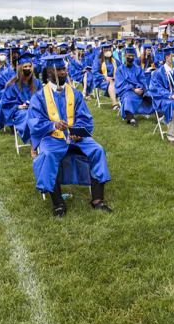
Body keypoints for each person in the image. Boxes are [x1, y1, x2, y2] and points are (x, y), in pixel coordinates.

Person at [29, 56, 112, 217]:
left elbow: (85, 117)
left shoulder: (75, 94)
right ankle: (58, 203)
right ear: (50, 72)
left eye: (64, 69)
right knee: (47, 154)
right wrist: (53, 125)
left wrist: (78, 132)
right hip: (52, 138)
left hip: (76, 138)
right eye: (59, 70)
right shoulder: (39, 97)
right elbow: (34, 122)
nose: (63, 72)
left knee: (97, 150)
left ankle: (97, 200)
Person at [0, 52, 42, 149]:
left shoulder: (36, 83)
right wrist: (17, 106)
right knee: (27, 117)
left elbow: (42, 98)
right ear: (20, 68)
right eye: (25, 67)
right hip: (21, 111)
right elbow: (5, 103)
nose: (28, 69)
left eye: (30, 66)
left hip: (36, 109)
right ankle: (33, 145)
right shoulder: (12, 85)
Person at [114, 46, 154, 126]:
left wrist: (142, 88)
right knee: (128, 98)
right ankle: (130, 118)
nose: (131, 57)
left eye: (132, 56)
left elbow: (142, 80)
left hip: (139, 90)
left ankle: (160, 114)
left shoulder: (137, 68)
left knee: (151, 96)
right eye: (129, 56)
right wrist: (133, 89)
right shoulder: (120, 69)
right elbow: (120, 83)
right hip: (127, 91)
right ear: (125, 56)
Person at [92, 43, 120, 109]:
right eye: (105, 49)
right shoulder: (98, 60)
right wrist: (105, 77)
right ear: (102, 50)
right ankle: (114, 104)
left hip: (114, 79)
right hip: (101, 81)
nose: (107, 50)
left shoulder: (114, 60)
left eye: (109, 49)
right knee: (111, 82)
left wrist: (117, 77)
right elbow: (95, 72)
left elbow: (121, 69)